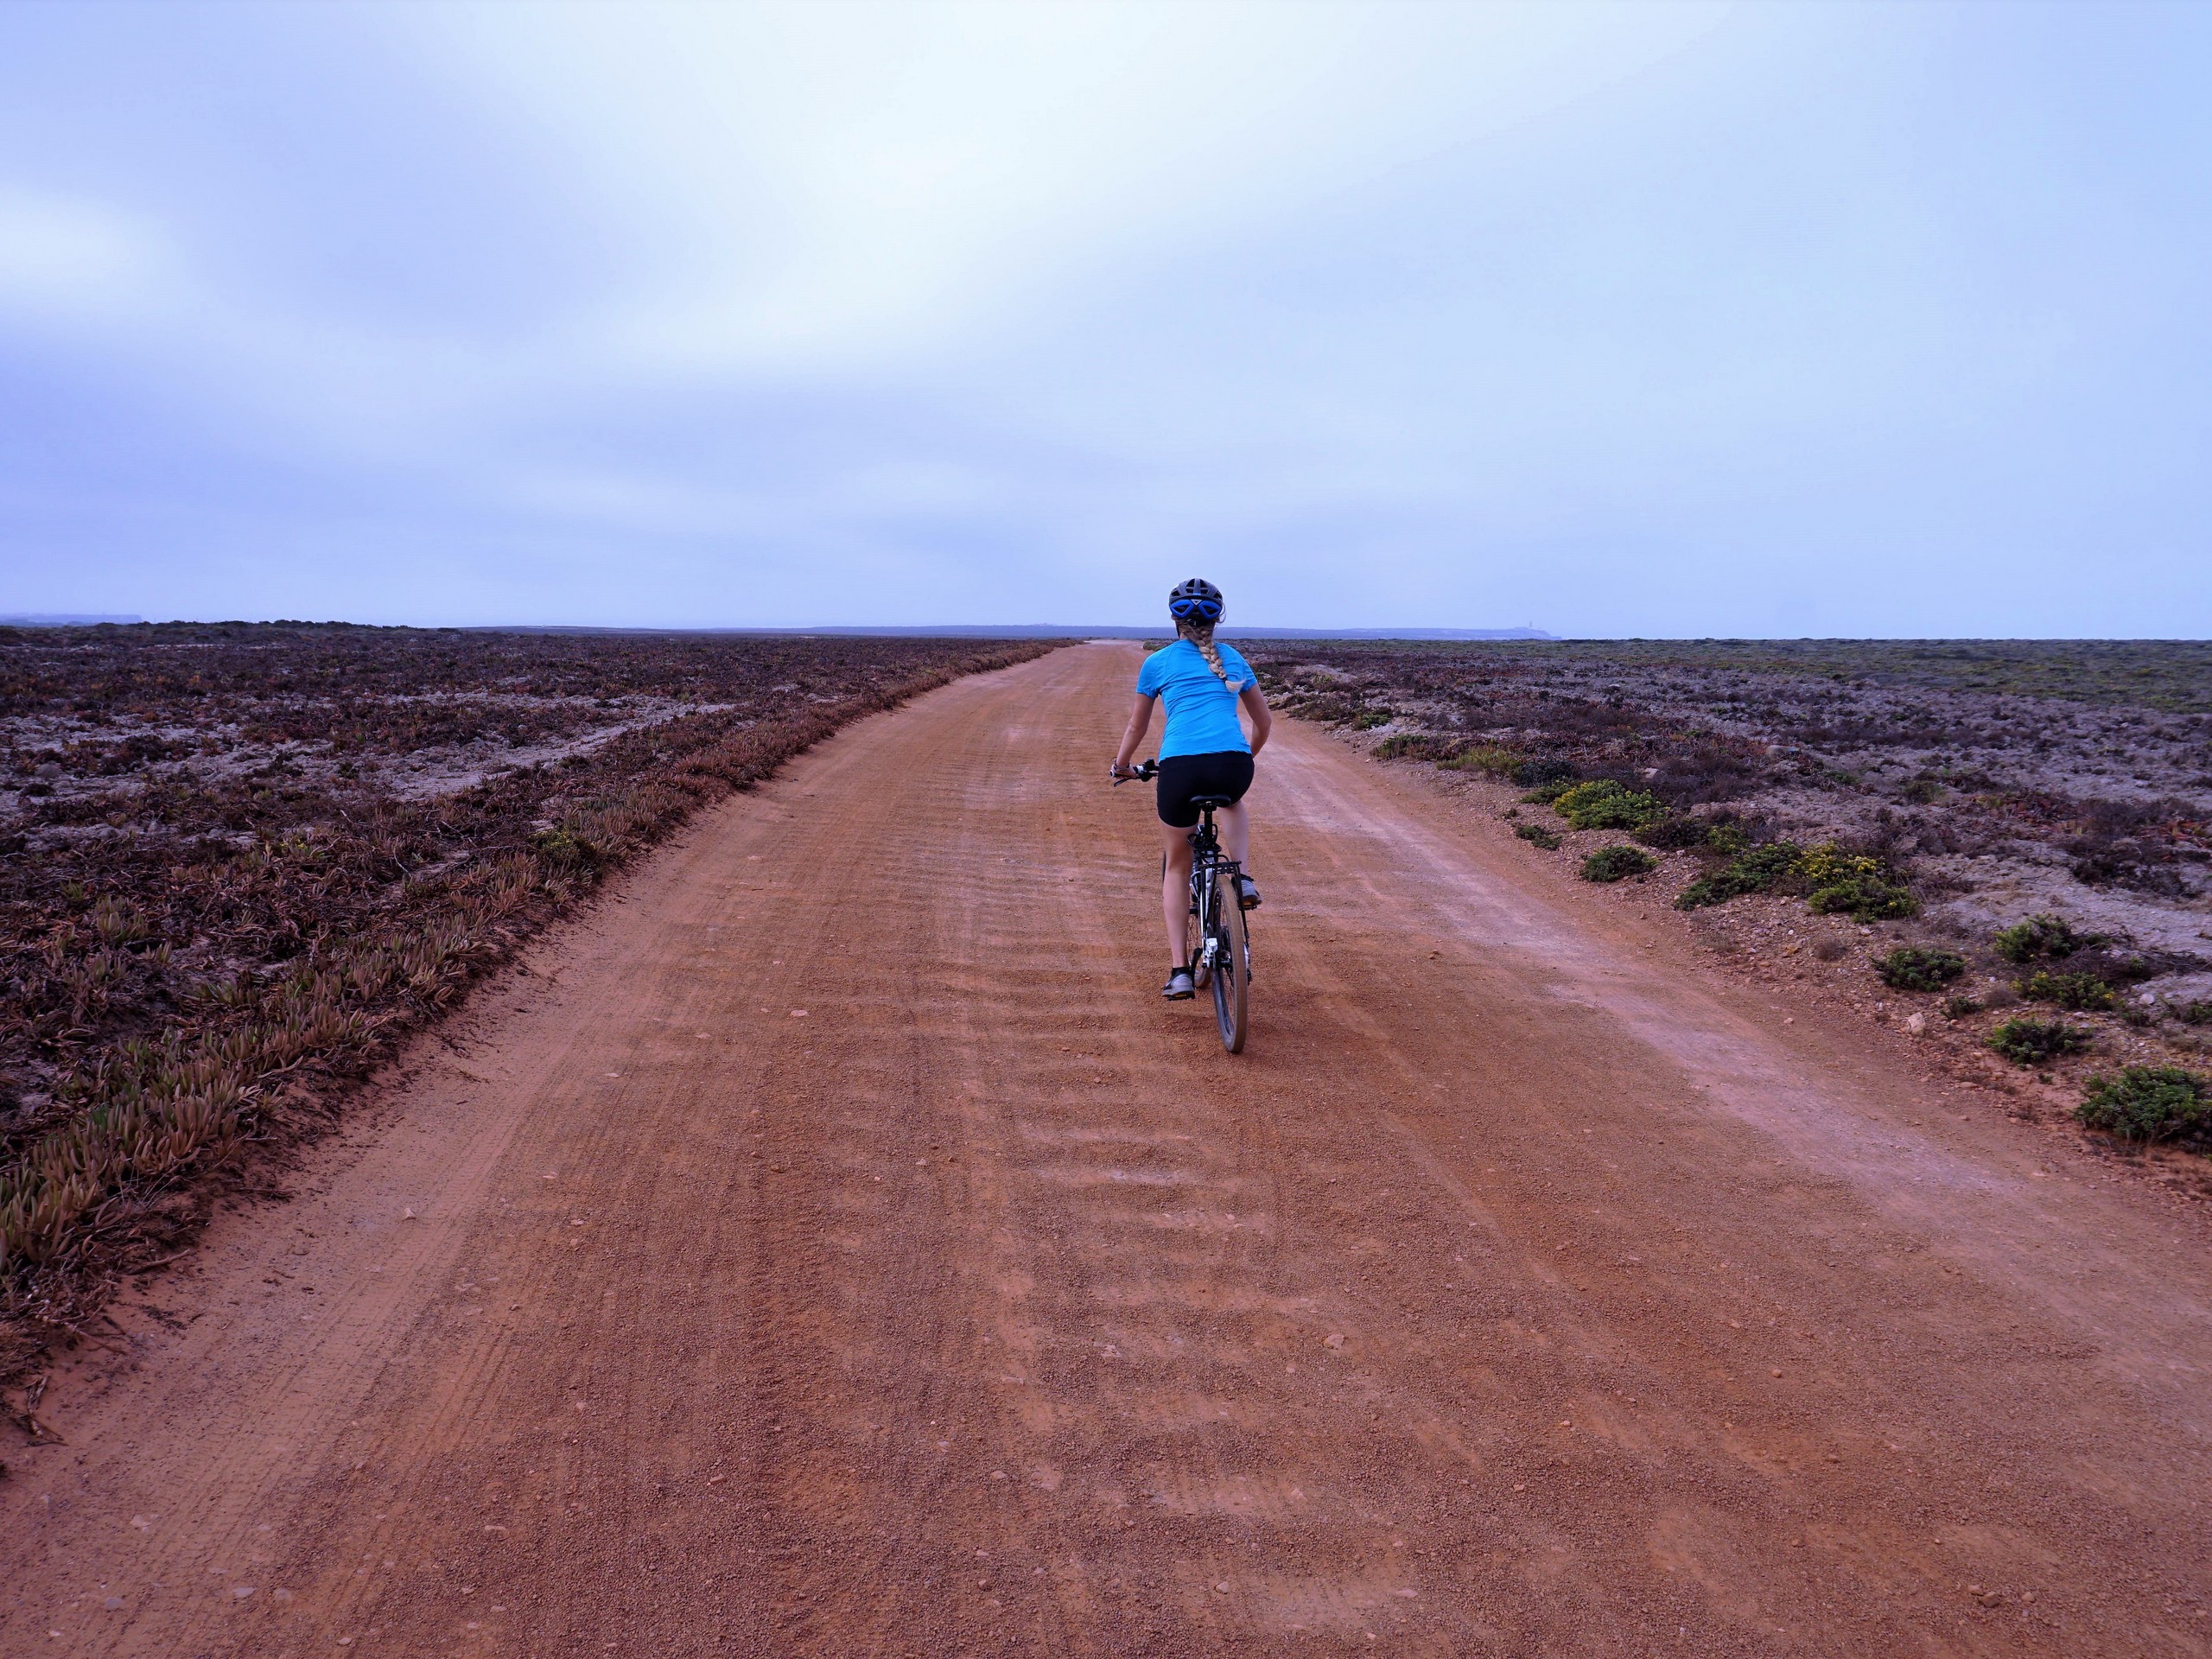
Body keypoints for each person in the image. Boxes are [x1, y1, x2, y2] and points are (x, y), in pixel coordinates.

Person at [1110, 578, 1272, 1000]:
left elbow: (1137, 725)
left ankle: (1180, 970)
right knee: (1233, 801)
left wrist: (1122, 766)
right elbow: (1264, 724)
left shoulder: (1158, 663)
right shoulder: (1235, 659)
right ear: (1218, 619)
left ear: (1174, 621)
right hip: (1232, 763)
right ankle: (1243, 877)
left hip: (1180, 767)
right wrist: (1243, 759)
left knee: (1178, 865)